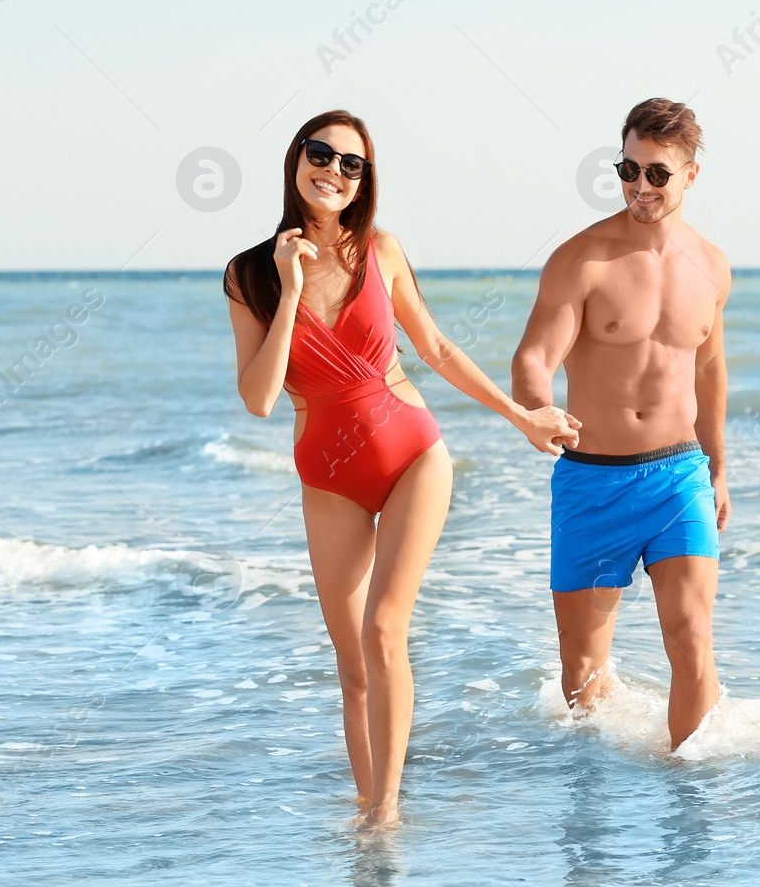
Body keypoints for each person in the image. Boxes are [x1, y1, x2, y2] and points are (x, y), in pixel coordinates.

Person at [223, 109, 579, 825]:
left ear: (364, 181)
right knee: (353, 664)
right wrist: (290, 288)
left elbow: (438, 348)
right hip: (327, 474)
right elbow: (260, 399)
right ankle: (367, 810)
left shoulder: (381, 250)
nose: (334, 171)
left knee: (385, 627)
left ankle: (386, 812)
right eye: (321, 154)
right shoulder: (249, 274)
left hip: (411, 452)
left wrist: (521, 415)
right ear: (296, 160)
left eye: (351, 163)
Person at [511, 97, 731, 751]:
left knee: (690, 636)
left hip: (678, 475)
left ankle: (693, 801)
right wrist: (534, 406)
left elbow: (710, 371)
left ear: (690, 175)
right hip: (592, 480)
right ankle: (591, 808)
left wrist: (720, 469)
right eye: (628, 170)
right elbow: (534, 355)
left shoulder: (711, 265)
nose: (640, 186)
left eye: (657, 173)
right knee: (581, 672)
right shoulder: (584, 259)